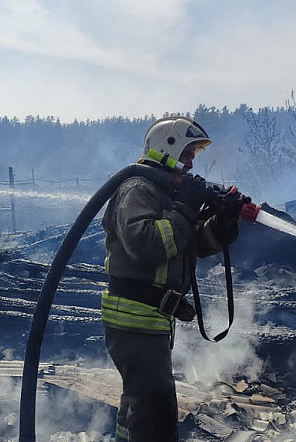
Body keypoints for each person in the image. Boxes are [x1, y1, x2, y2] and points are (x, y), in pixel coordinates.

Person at [101, 116, 240, 441]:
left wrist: (221, 228)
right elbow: (146, 244)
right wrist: (185, 208)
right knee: (156, 411)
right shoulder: (137, 188)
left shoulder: (165, 195)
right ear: (168, 148)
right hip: (133, 319)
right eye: (188, 154)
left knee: (139, 405)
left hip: (152, 320)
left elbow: (187, 247)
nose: (191, 164)